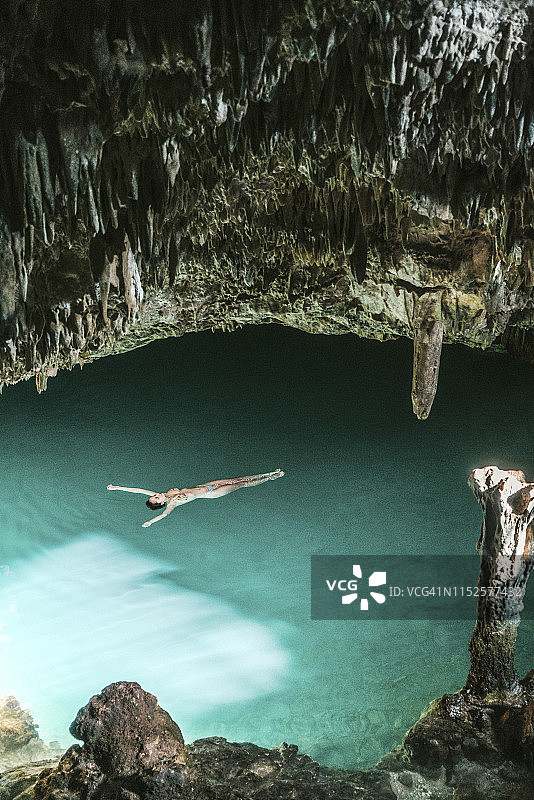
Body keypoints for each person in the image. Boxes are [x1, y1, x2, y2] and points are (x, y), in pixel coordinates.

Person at [107, 469, 284, 527]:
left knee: (237, 479)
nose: (156, 494)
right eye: (156, 498)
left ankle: (269, 473)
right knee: (241, 484)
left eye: (154, 495)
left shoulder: (166, 493)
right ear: (161, 503)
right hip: (210, 493)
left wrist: (117, 488)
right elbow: (165, 515)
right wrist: (151, 522)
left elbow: (138, 490)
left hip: (206, 485)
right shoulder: (173, 502)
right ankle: (271, 477)